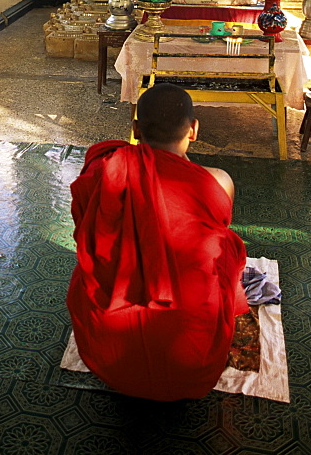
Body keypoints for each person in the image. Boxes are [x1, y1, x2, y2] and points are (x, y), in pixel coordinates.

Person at [67, 82, 248, 401]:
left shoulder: (104, 169)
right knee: (227, 255)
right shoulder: (217, 183)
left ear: (135, 128)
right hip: (193, 363)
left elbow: (88, 231)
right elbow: (216, 250)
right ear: (193, 130)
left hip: (108, 354)